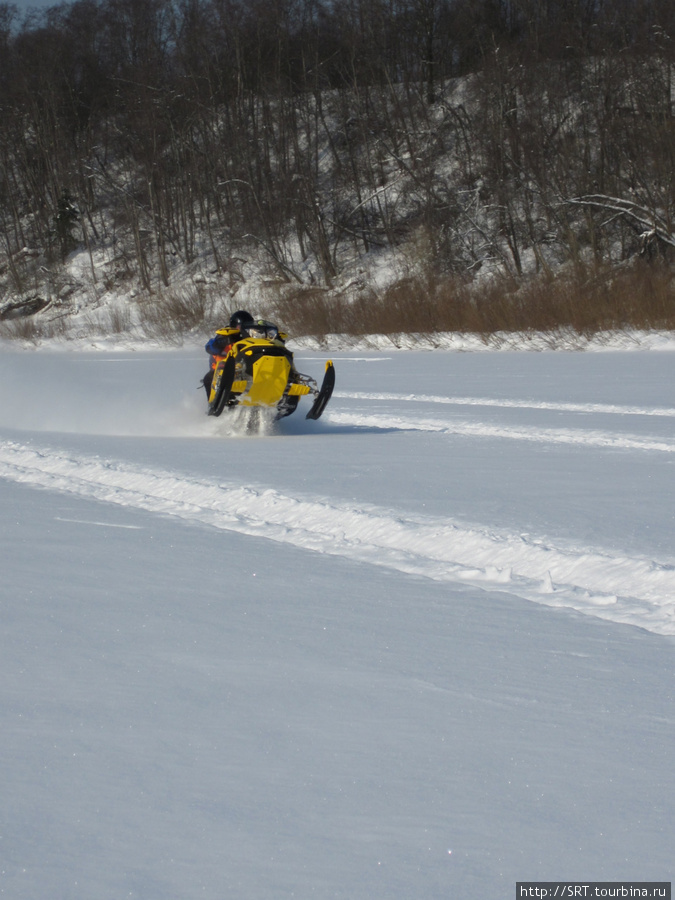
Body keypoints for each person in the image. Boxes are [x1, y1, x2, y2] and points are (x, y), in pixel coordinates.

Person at [202, 310, 255, 399]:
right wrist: (222, 342)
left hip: (244, 369)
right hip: (222, 370)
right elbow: (209, 347)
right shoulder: (225, 335)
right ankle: (213, 404)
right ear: (234, 326)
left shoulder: (252, 338)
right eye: (242, 327)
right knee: (208, 379)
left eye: (248, 327)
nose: (245, 330)